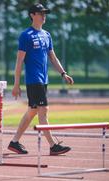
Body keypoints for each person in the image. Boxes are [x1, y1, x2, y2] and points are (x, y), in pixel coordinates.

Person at [8, 3, 74, 156]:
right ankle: (53, 146)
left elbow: (53, 56)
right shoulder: (26, 35)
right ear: (32, 15)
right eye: (40, 13)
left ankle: (14, 142)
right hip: (33, 80)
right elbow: (19, 62)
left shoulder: (47, 35)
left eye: (45, 13)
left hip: (44, 80)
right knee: (43, 110)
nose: (44, 15)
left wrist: (63, 73)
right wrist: (16, 84)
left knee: (32, 111)